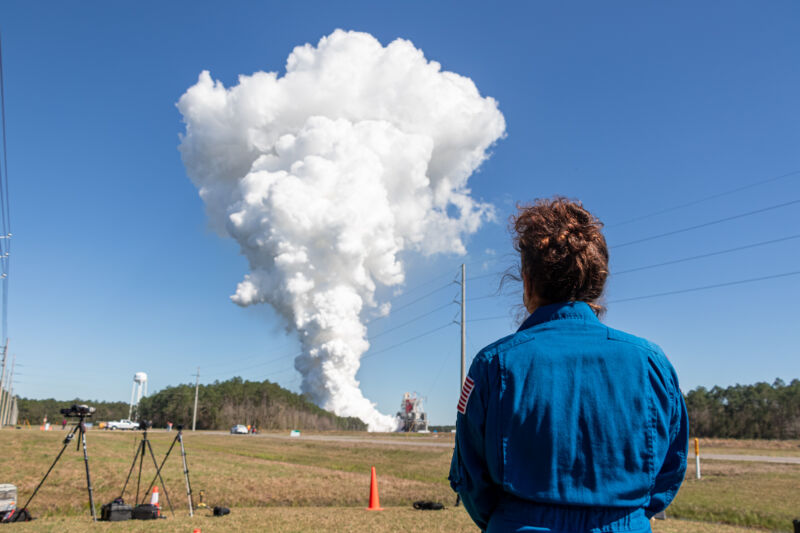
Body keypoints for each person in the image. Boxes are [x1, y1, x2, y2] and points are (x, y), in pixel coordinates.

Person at [449, 197, 688, 533]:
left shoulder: (492, 364)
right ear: (599, 283)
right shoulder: (653, 364)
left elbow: (471, 476)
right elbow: (670, 468)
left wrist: (514, 519)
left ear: (528, 282)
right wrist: (626, 516)